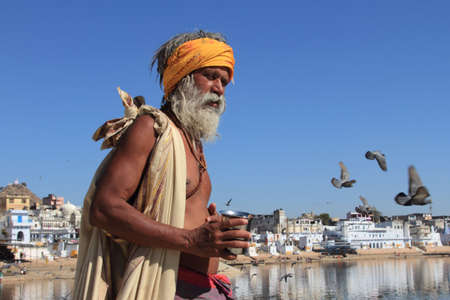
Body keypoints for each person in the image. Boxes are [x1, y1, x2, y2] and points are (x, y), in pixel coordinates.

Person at [73, 30, 250, 300]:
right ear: (183, 76)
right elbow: (104, 208)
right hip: (166, 286)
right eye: (211, 76)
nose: (220, 89)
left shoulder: (190, 140)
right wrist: (192, 240)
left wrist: (210, 228)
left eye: (224, 81)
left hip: (206, 285)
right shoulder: (150, 129)